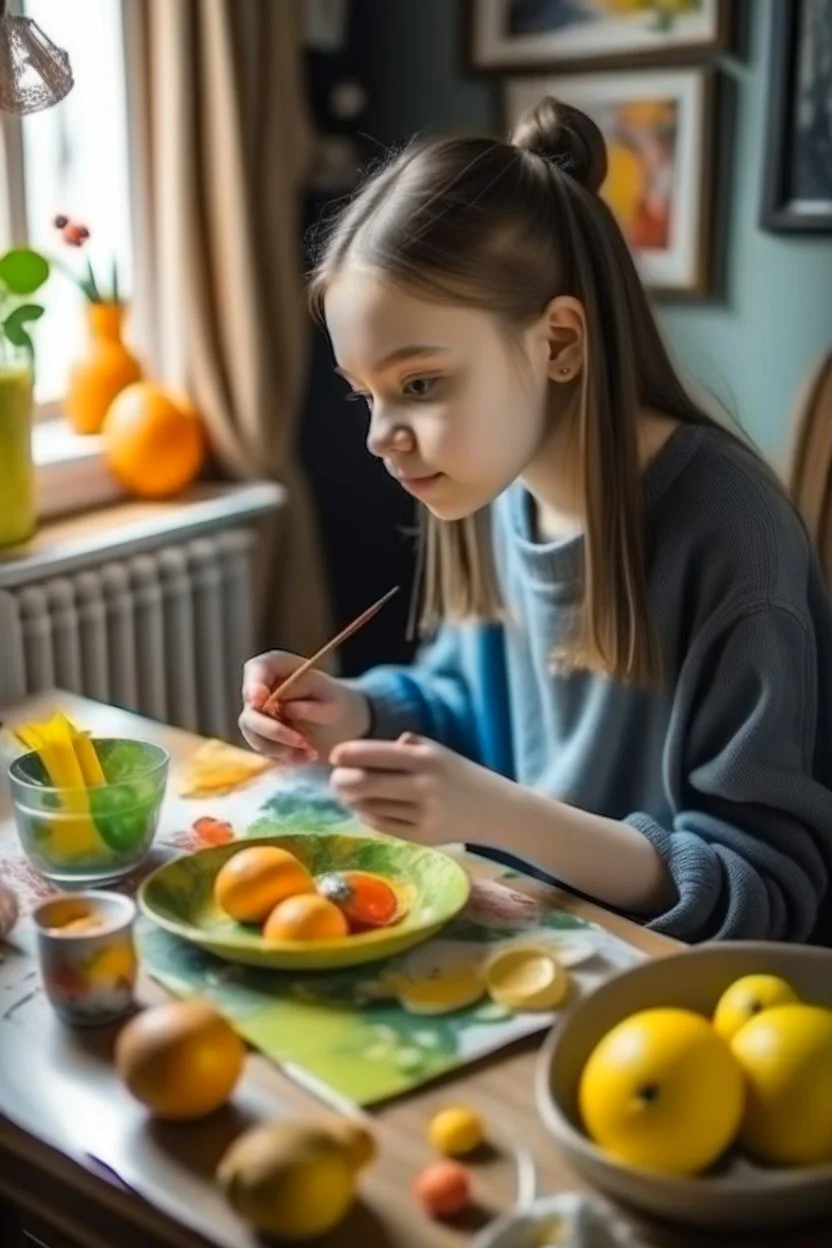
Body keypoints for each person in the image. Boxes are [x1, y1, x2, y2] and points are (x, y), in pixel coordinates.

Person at [240, 98, 832, 944]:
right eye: (364, 394)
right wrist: (354, 711)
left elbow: (764, 894)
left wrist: (504, 814)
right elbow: (463, 703)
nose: (379, 436)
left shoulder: (732, 540)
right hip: (535, 936)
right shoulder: (492, 480)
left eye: (418, 384)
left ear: (557, 342)